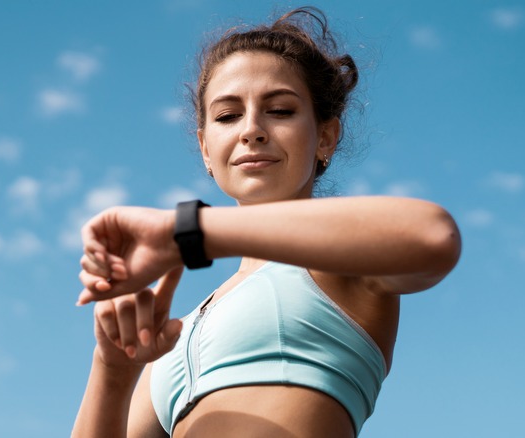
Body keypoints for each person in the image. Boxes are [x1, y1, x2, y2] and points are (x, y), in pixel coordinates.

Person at [71, 6, 461, 437]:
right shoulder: (174, 337)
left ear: (326, 137)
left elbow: (433, 235)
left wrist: (186, 234)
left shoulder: (339, 262)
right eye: (226, 116)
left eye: (279, 110)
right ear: (205, 149)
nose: (251, 129)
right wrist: (111, 368)